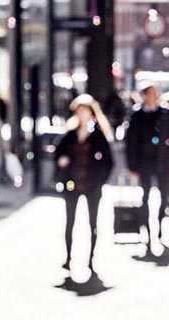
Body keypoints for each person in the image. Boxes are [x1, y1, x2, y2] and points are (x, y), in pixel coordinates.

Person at [54, 94, 114, 271]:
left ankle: (91, 258)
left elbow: (109, 162)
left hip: (91, 185)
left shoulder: (98, 136)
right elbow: (58, 153)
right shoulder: (70, 135)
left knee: (92, 223)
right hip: (72, 183)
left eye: (84, 111)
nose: (81, 114)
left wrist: (100, 181)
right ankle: (68, 256)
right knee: (70, 221)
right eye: (78, 111)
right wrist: (62, 162)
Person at [126, 82, 169, 252]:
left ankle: (158, 228)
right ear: (144, 96)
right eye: (151, 93)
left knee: (164, 194)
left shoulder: (167, 113)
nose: (154, 96)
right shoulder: (137, 115)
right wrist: (131, 165)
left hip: (163, 160)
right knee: (144, 196)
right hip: (144, 161)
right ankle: (144, 227)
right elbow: (130, 142)